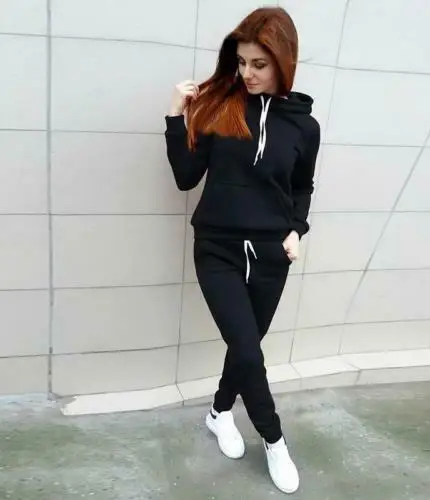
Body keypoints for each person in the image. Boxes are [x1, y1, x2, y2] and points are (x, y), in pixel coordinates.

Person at [165, 6, 320, 495]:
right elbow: (186, 177)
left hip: (273, 255)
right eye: (241, 62)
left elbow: (302, 186)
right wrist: (176, 116)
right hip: (218, 248)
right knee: (250, 352)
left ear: (283, 62)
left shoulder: (305, 127)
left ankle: (218, 412)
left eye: (259, 64)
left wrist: (297, 230)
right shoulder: (220, 108)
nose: (247, 73)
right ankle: (274, 440)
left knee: (243, 351)